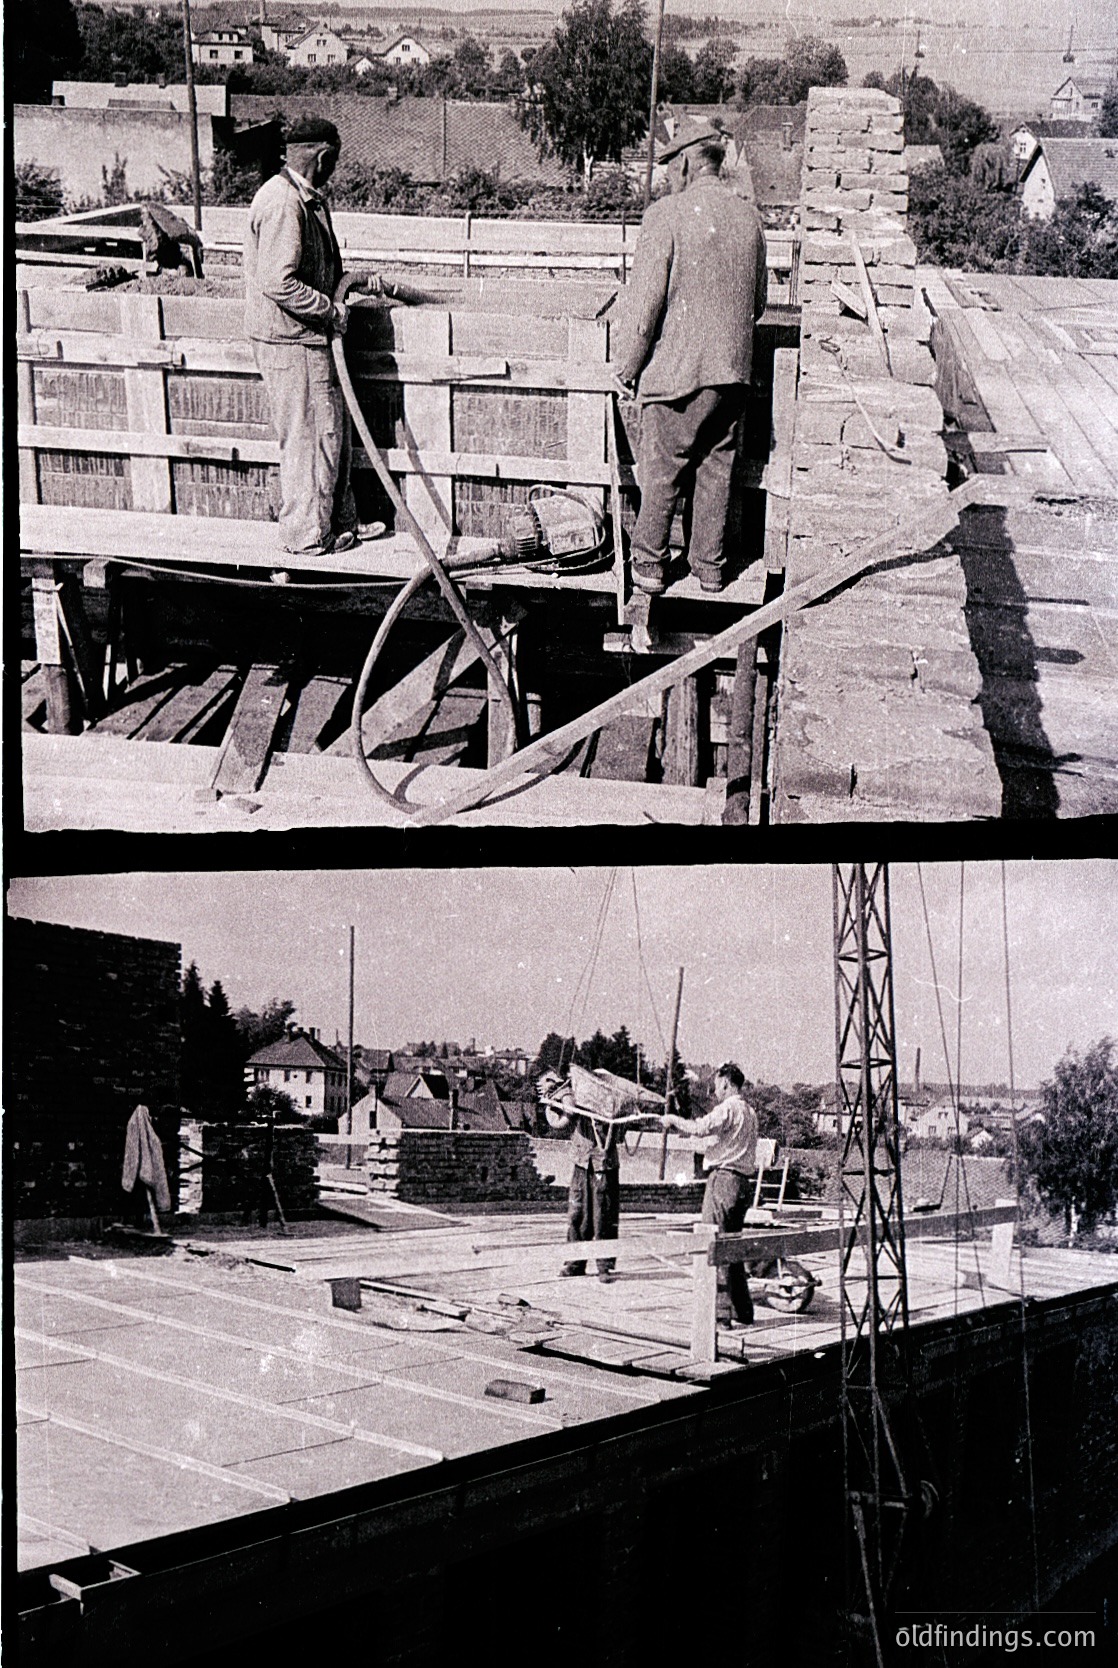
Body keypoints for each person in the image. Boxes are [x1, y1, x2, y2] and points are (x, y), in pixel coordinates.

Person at [611, 123, 769, 596]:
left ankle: (650, 566)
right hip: (732, 373)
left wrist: (626, 368)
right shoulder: (750, 218)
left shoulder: (667, 216)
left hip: (679, 373)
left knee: (663, 466)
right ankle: (710, 569)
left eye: (668, 169)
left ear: (684, 163)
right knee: (716, 467)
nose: (666, 178)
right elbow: (758, 304)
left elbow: (644, 306)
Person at [245, 116, 384, 558]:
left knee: (330, 431)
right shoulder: (284, 203)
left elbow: (312, 269)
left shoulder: (305, 199)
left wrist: (347, 286)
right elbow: (278, 282)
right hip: (292, 341)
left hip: (305, 339)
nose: (334, 169)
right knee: (308, 437)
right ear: (323, 157)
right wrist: (330, 309)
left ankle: (340, 523)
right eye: (334, 161)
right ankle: (306, 537)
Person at [661, 1061, 758, 1325]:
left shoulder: (728, 1108)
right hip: (742, 1185)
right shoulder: (749, 1112)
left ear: (726, 1083)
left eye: (716, 1085)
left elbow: (700, 1127)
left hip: (723, 1182)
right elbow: (718, 1141)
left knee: (713, 1247)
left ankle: (721, 1316)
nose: (715, 1090)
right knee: (733, 1248)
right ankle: (743, 1311)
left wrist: (673, 1121)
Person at [538, 1069, 620, 1281]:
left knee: (603, 1217)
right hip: (581, 1162)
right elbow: (561, 1112)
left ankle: (605, 1266)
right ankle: (575, 1263)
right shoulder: (574, 1094)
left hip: (604, 1163)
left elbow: (620, 1132)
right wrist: (552, 1090)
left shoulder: (613, 1102)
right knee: (577, 1214)